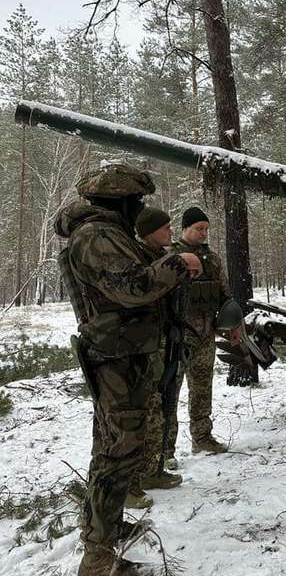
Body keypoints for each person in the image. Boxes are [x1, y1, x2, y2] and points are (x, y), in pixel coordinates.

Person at [55, 164, 202, 576]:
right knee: (118, 448)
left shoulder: (109, 233)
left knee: (118, 445)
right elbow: (132, 288)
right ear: (119, 201)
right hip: (115, 356)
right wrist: (175, 264)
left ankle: (106, 525)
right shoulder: (97, 236)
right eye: (136, 201)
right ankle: (97, 556)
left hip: (125, 353)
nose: (140, 208)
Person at [169, 206, 241, 460]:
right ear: (184, 229)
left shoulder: (213, 259)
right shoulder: (170, 256)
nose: (203, 233)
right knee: (169, 392)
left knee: (202, 389)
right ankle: (165, 450)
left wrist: (234, 325)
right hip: (177, 336)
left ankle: (202, 437)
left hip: (206, 334)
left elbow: (224, 294)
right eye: (198, 229)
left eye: (206, 229)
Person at [133, 206, 184, 493]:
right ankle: (144, 472)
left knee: (164, 404)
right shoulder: (140, 259)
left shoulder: (160, 256)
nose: (171, 232)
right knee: (150, 408)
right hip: (148, 344)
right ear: (151, 231)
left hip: (166, 339)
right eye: (166, 228)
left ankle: (155, 468)